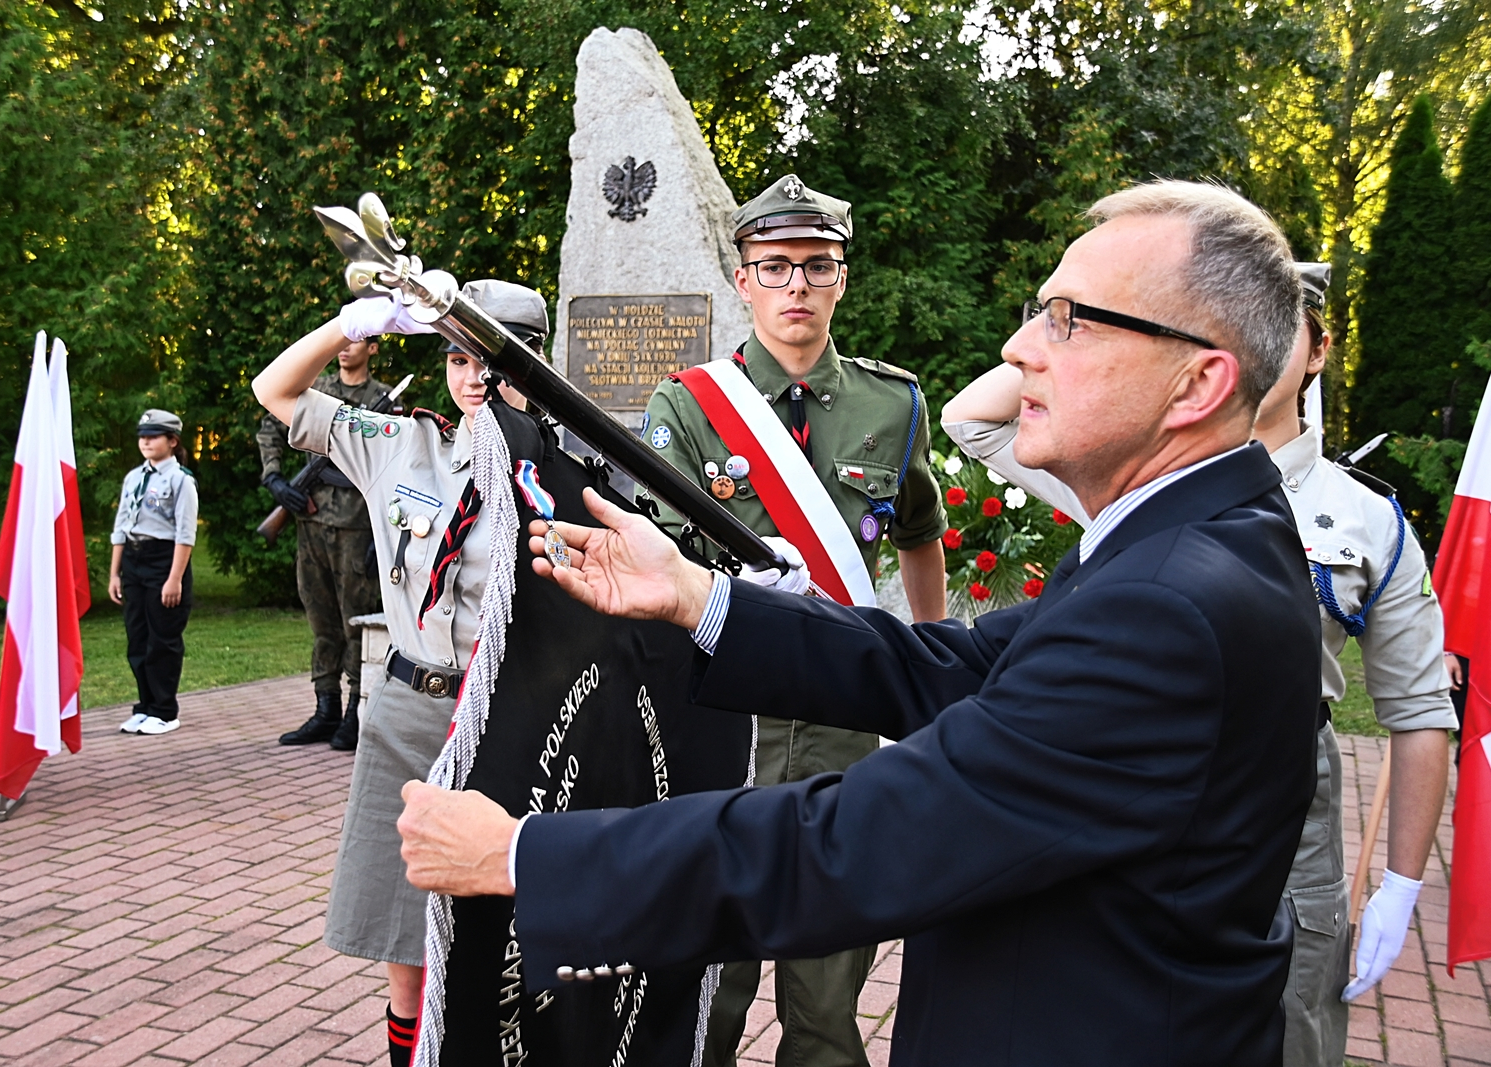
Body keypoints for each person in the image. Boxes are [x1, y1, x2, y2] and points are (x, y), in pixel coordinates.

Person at [396, 180, 1324, 1065]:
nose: (1021, 348)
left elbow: (861, 841)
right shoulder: (1182, 540)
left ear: (1196, 384)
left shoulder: (1169, 602)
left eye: (1068, 319)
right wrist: (699, 596)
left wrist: (524, 852)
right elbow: (949, 668)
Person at [938, 263, 1458, 1066]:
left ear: (1316, 351)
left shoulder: (1366, 517)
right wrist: (1079, 328)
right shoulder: (1140, 472)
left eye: (1278, 324)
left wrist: (1403, 881)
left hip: (1283, 773)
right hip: (1122, 752)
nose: (1254, 338)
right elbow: (971, 419)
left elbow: (1418, 709)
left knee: (1292, 1016)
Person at [638, 172, 948, 1067]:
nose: (797, 287)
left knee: (826, 994)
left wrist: (925, 669)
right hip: (728, 715)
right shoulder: (689, 405)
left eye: (817, 266)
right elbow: (662, 557)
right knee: (713, 982)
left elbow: (921, 532)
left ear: (842, 277)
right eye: (775, 268)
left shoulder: (892, 406)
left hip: (846, 726)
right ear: (743, 280)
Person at [252, 279, 544, 1067]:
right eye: (456, 355)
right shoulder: (398, 444)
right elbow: (274, 390)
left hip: (509, 720)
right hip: (409, 713)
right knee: (404, 942)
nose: (473, 376)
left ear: (534, 367)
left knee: (509, 944)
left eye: (494, 360)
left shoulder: (561, 476)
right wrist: (351, 323)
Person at [260, 333, 391, 750]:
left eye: (358, 342)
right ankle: (325, 708)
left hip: (356, 527)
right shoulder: (313, 393)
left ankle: (355, 711)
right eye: (343, 340)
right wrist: (275, 479)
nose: (345, 348)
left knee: (355, 621)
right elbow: (269, 427)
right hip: (311, 523)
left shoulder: (385, 399)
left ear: (372, 349)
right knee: (321, 622)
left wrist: (382, 534)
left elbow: (392, 466)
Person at [110, 409, 198, 736]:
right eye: (142, 435)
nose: (145, 441)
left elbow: (185, 534)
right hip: (134, 559)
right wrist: (115, 573)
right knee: (138, 639)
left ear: (172, 441)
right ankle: (144, 707)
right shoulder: (133, 477)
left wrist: (174, 578)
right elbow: (121, 525)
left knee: (162, 639)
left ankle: (164, 710)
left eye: (154, 435)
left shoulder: (181, 480)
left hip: (164, 560)